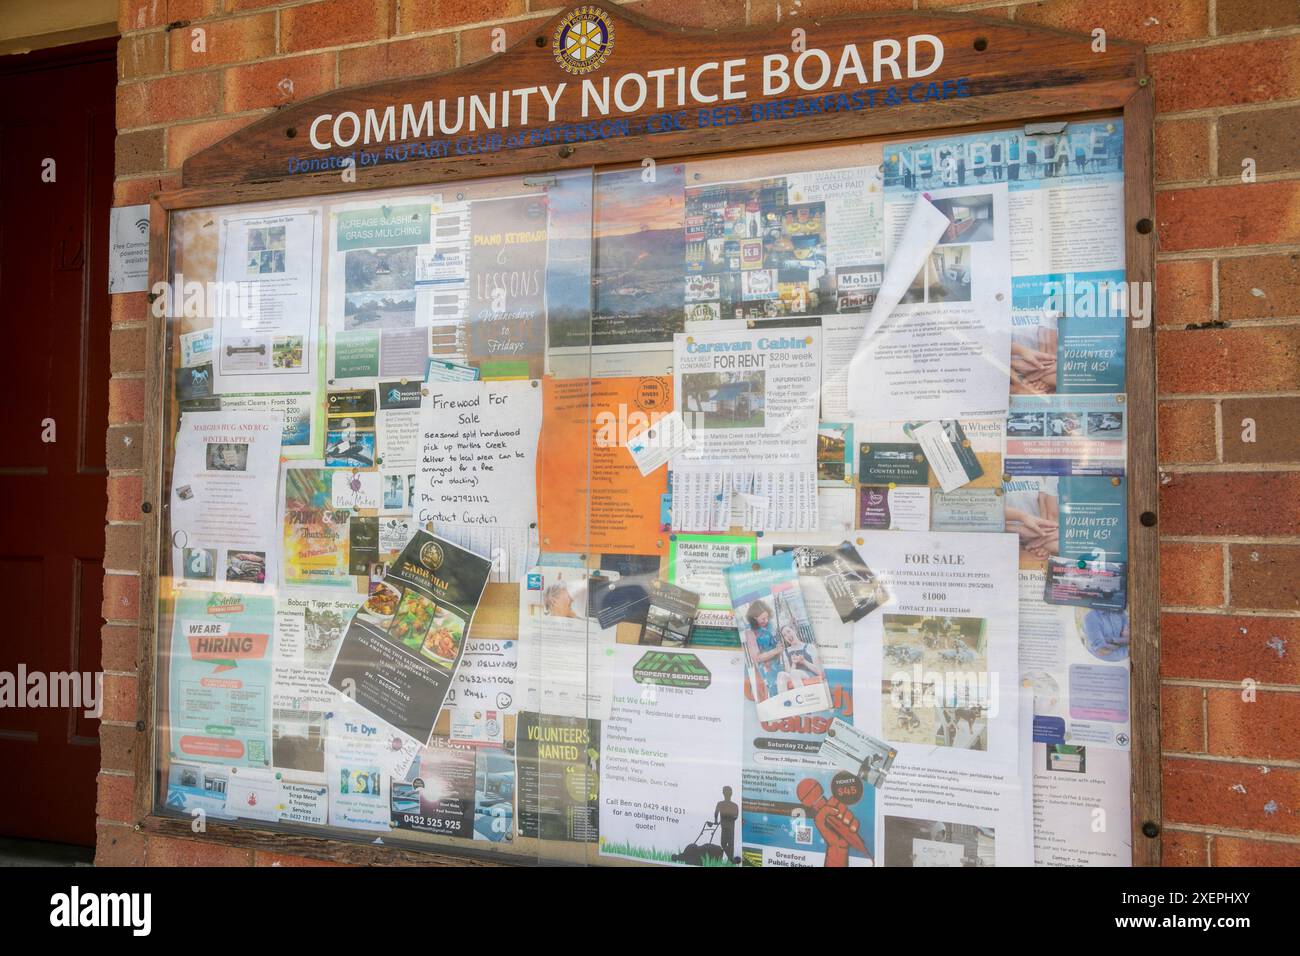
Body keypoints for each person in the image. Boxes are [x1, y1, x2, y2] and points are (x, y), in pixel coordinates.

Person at [743, 600, 785, 699]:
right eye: (763, 618)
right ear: (754, 617)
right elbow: (756, 658)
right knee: (774, 693)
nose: (766, 620)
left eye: (767, 617)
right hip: (766, 668)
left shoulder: (769, 625)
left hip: (779, 663)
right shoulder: (750, 632)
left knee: (784, 688)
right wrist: (775, 651)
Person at [713, 786, 739, 862]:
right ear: (732, 793)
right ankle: (731, 859)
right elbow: (735, 816)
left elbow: (716, 813)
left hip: (725, 826)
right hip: (730, 826)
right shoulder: (734, 805)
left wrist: (716, 820)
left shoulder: (720, 804)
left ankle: (730, 860)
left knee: (724, 843)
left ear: (723, 793)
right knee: (730, 844)